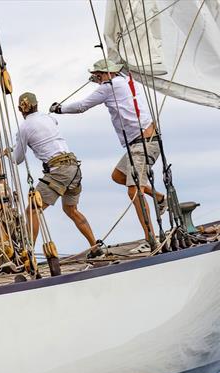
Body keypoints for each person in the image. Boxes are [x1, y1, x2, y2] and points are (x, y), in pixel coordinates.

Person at [51, 58, 166, 253]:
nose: (99, 78)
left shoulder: (109, 86)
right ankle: (159, 198)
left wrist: (59, 109)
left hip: (142, 144)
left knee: (134, 190)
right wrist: (100, 78)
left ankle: (151, 239)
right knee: (118, 177)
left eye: (100, 75)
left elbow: (82, 106)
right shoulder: (126, 80)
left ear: (108, 73)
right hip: (141, 144)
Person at [13, 91, 100, 256]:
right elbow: (53, 122)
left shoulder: (24, 128)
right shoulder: (48, 118)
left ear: (20, 109)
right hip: (74, 167)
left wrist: (8, 151)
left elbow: (17, 159)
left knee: (32, 210)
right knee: (71, 210)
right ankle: (95, 246)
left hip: (59, 170)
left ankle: (28, 253)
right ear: (37, 104)